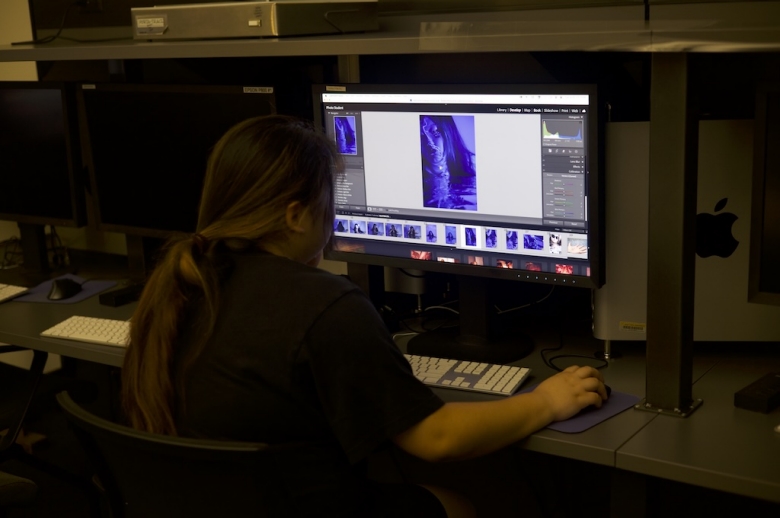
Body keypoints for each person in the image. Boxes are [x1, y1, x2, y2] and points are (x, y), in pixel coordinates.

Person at [122, 115, 607, 518]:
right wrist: (546, 401)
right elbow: (436, 438)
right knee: (458, 505)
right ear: (295, 215)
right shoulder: (324, 304)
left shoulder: (182, 284)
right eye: (329, 201)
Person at [420, 115, 477, 210]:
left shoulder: (472, 175)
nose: (428, 142)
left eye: (435, 132)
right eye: (421, 135)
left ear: (449, 136)